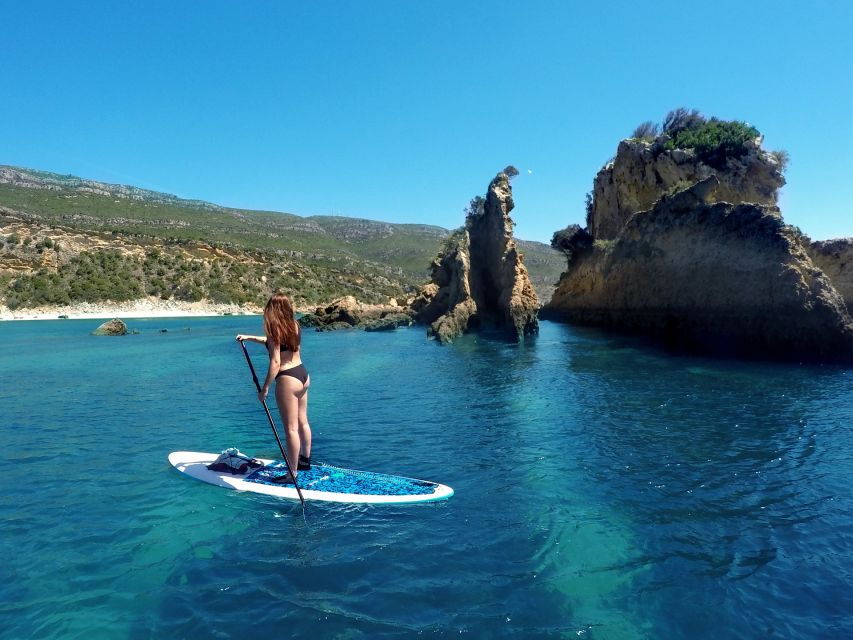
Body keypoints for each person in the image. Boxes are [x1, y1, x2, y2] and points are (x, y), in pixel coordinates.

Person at [236, 292, 311, 483]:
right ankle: (304, 460)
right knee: (303, 422)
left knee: (291, 429)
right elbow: (274, 342)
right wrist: (249, 338)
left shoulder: (274, 329)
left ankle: (292, 474)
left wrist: (265, 389)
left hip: (288, 379)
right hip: (303, 374)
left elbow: (276, 361)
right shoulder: (294, 325)